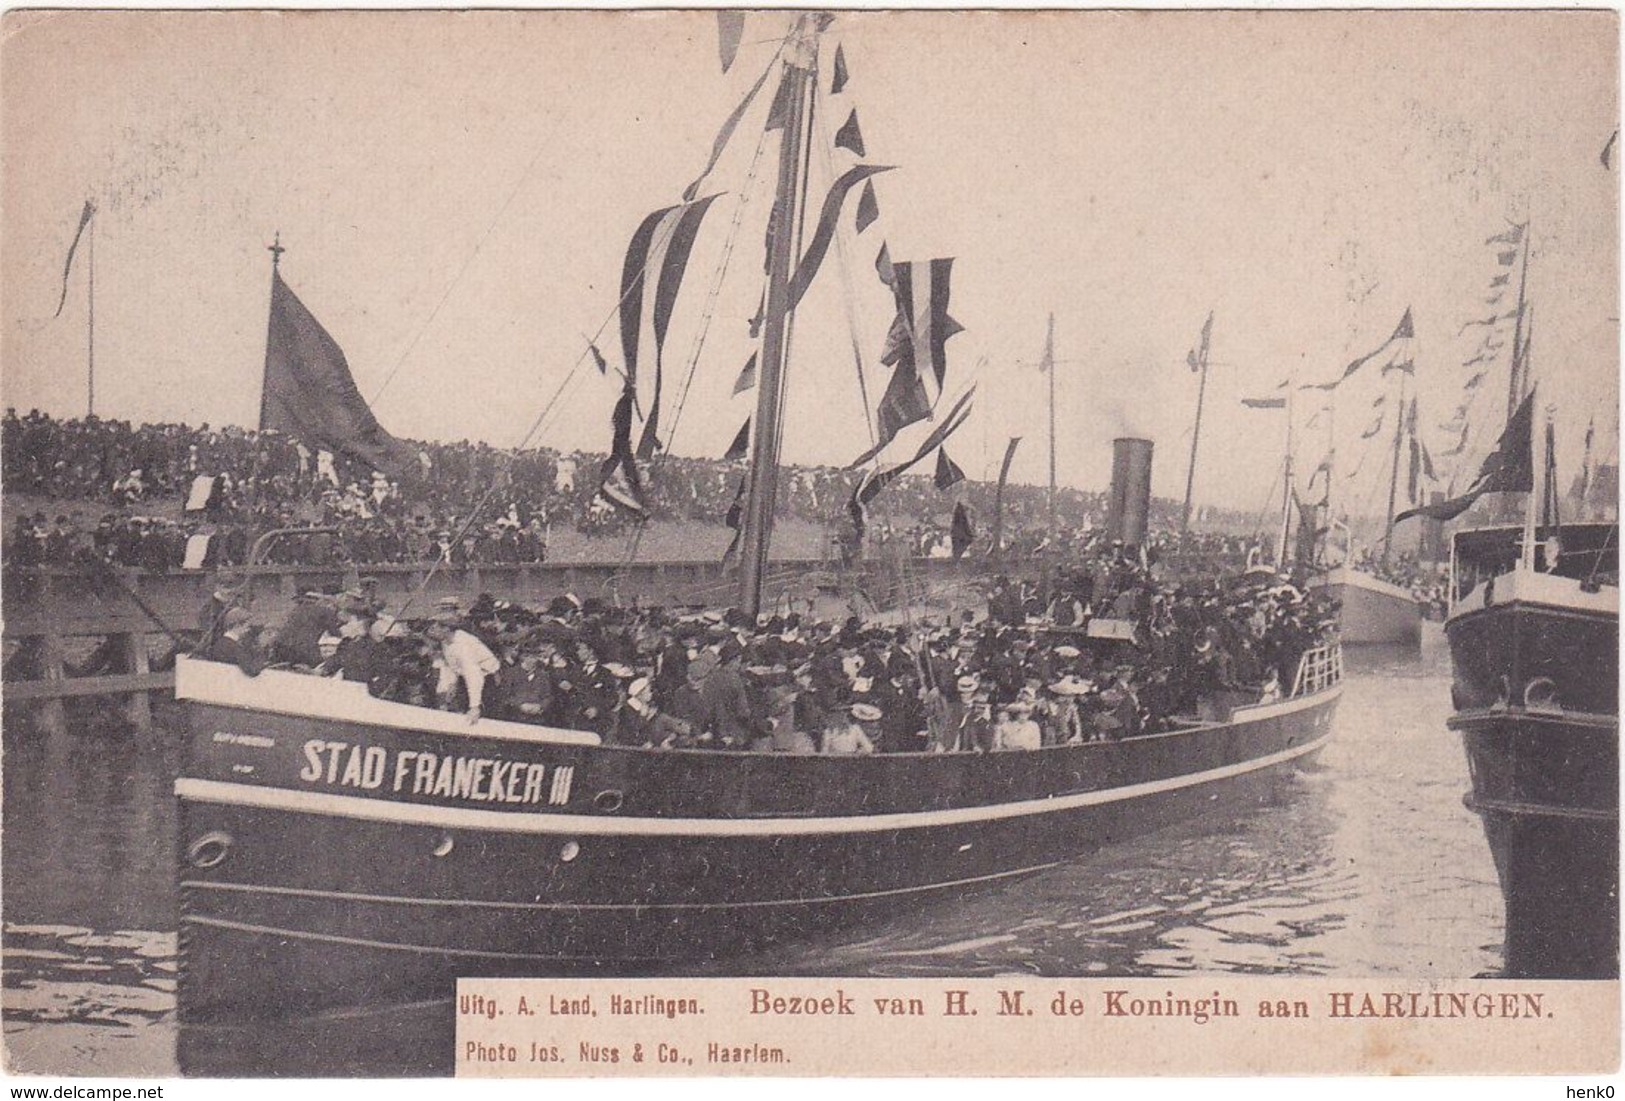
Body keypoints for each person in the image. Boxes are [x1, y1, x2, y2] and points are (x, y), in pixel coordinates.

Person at [427, 617, 502, 721]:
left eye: (434, 628)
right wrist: (453, 684)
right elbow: (455, 665)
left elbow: (474, 676)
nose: (431, 631)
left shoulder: (463, 645)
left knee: (485, 716)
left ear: (446, 629)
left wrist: (475, 707)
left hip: (486, 677)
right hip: (467, 676)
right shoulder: (446, 641)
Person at [204, 607, 264, 675]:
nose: (248, 630)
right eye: (247, 626)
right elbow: (253, 670)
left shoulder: (220, 643)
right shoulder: (233, 647)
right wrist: (261, 648)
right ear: (238, 625)